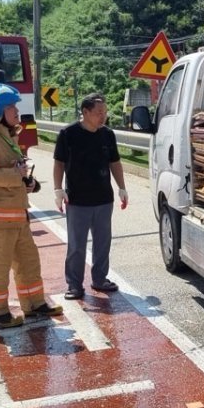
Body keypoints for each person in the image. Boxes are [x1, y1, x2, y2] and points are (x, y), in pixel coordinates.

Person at [0, 82, 64, 329]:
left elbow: (15, 171)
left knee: (28, 261)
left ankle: (34, 304)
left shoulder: (4, 135)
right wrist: (14, 175)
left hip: (15, 215)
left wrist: (27, 183)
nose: (17, 112)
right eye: (11, 107)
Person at [52, 93, 128, 300]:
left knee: (103, 242)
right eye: (98, 113)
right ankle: (75, 285)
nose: (102, 117)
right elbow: (59, 163)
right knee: (76, 245)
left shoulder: (107, 134)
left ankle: (100, 279)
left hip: (104, 198)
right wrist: (58, 190)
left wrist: (122, 188)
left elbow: (115, 163)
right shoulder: (68, 134)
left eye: (104, 112)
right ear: (85, 112)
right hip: (77, 200)